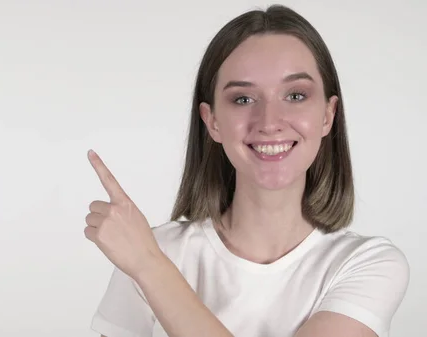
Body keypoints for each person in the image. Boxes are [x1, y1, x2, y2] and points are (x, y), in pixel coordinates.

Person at [83, 4, 409, 337]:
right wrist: (145, 257)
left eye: (295, 95)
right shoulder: (151, 248)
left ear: (328, 115)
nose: (269, 122)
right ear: (212, 121)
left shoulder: (367, 264)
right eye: (242, 99)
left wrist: (148, 266)